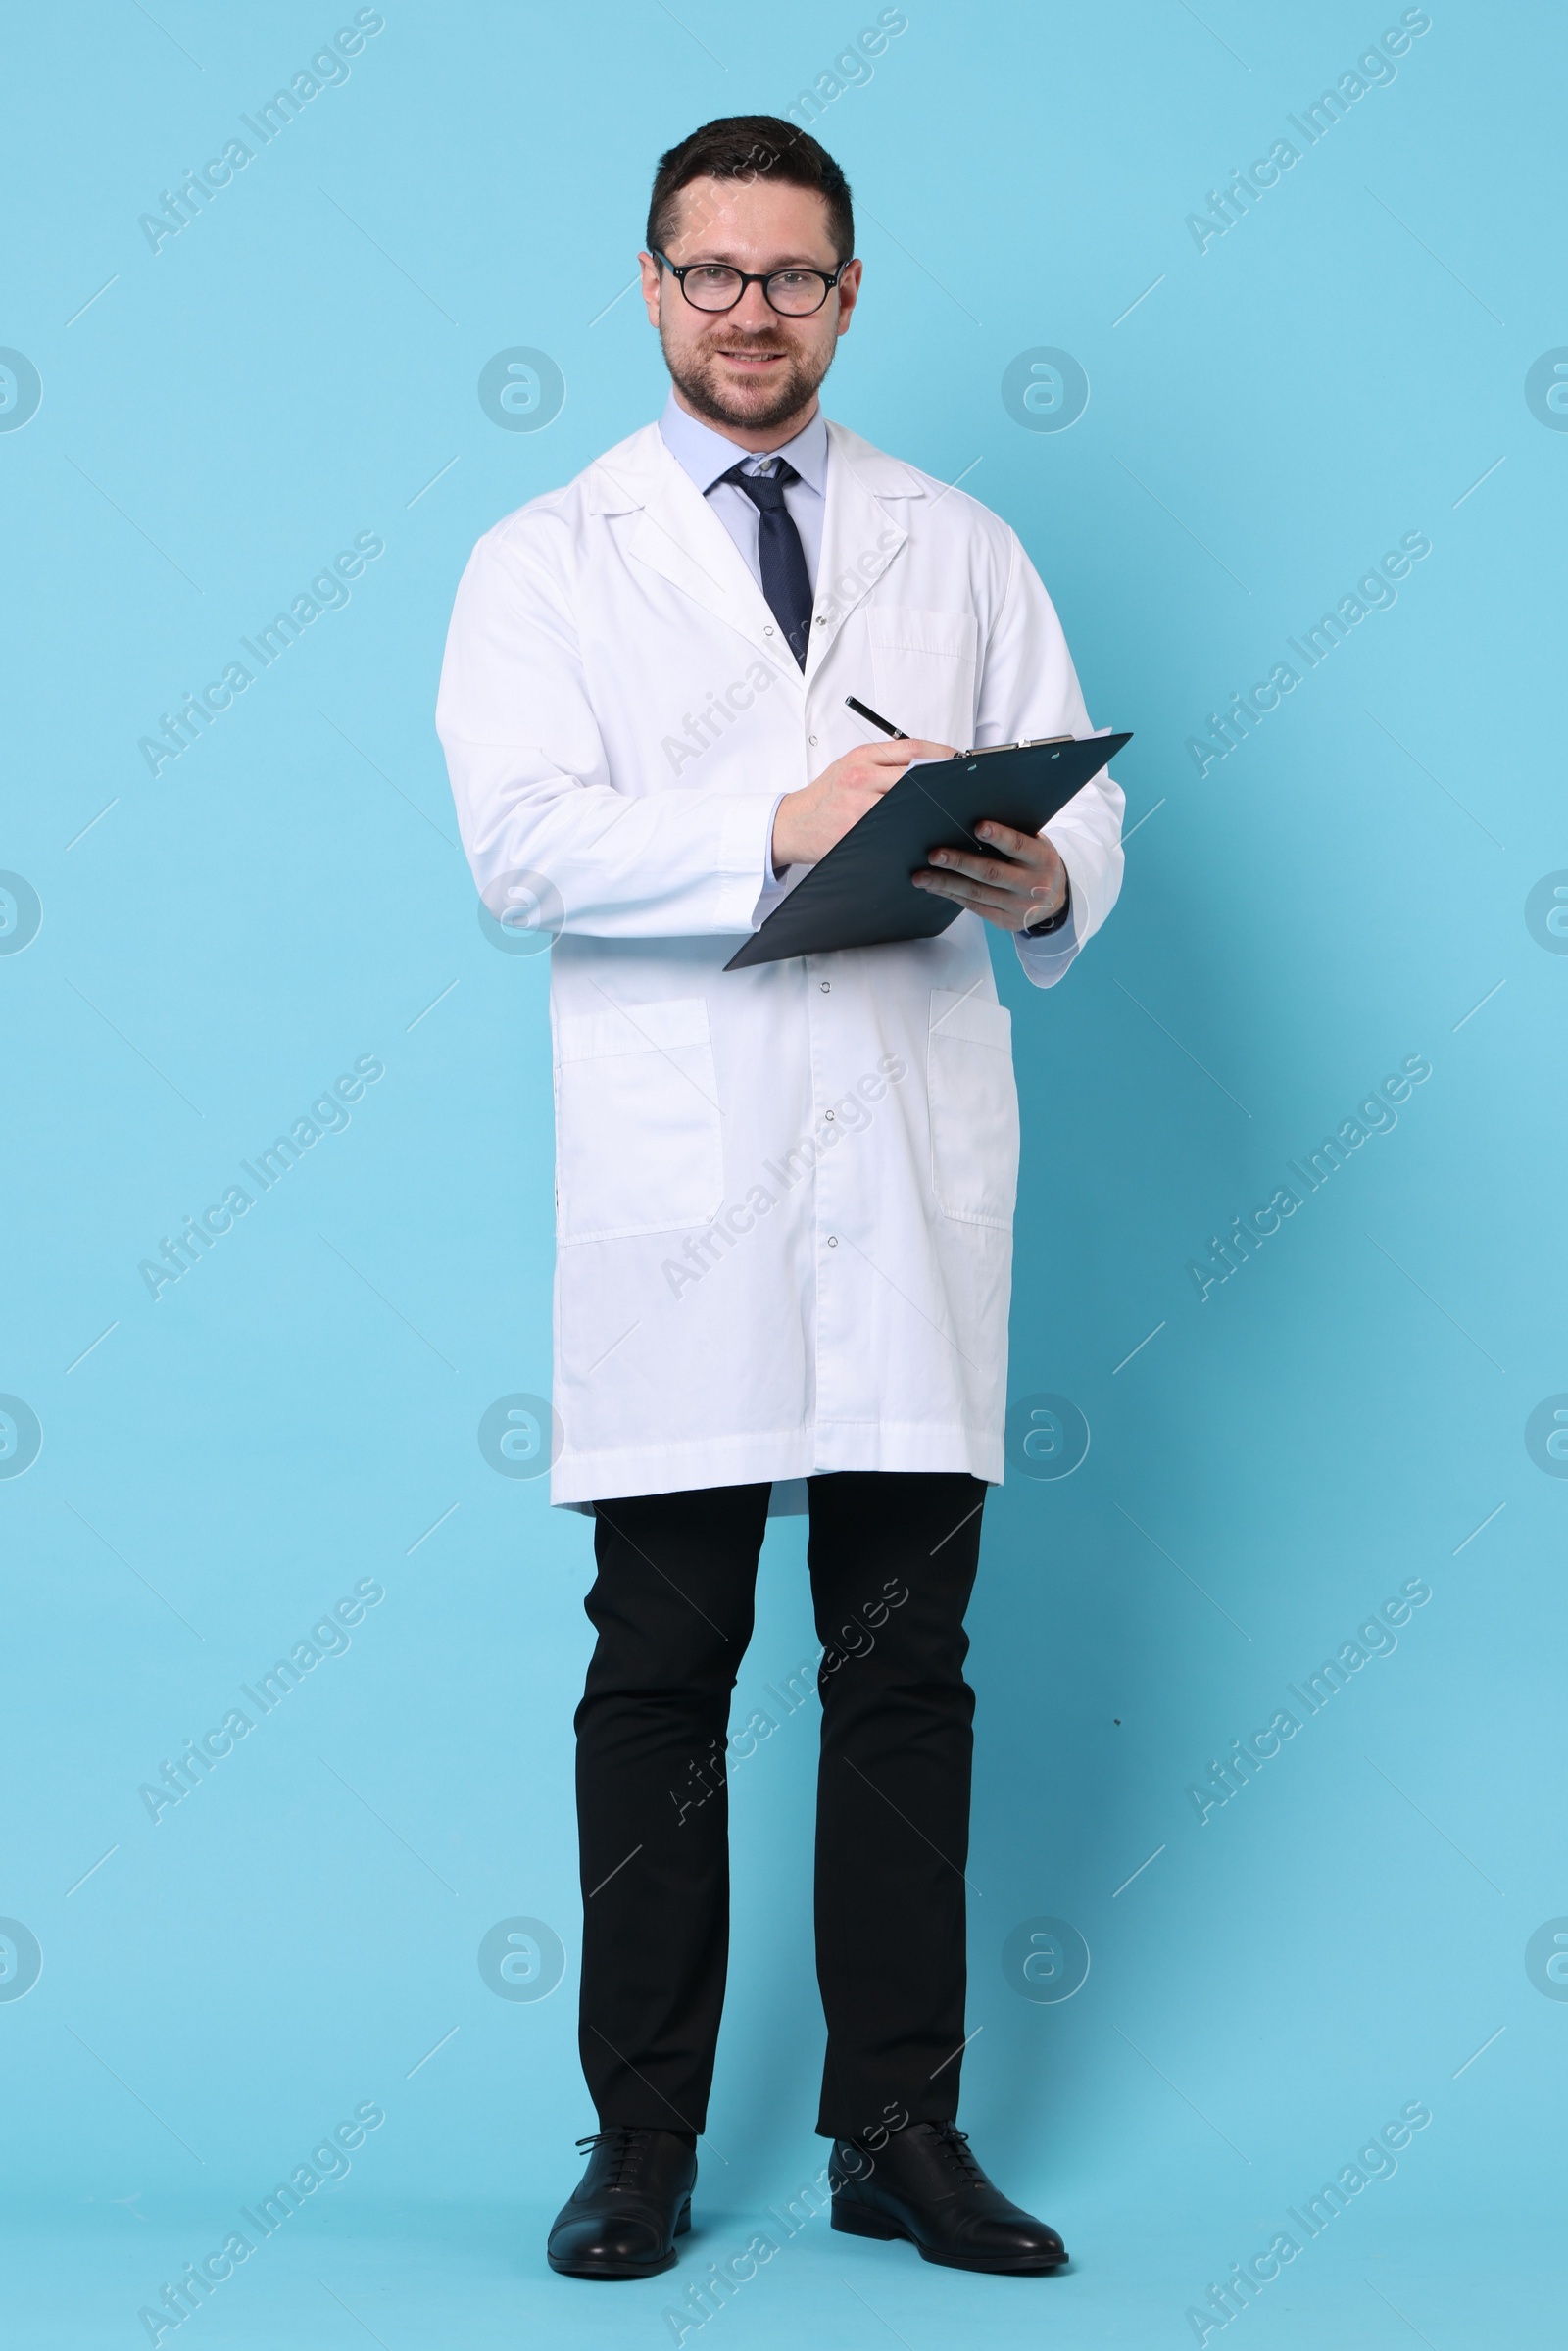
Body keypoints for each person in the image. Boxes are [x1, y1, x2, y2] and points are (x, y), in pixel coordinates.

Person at [436, 113, 1122, 2281]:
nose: (751, 309)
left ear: (849, 292)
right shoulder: (546, 558)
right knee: (661, 1667)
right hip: (684, 1195)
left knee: (903, 1676)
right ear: (646, 288)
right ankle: (635, 2145)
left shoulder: (960, 540)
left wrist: (1042, 873)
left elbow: (1081, 809)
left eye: (792, 275)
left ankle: (893, 2137)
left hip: (907, 1179)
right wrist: (783, 808)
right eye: (711, 272)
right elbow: (522, 848)